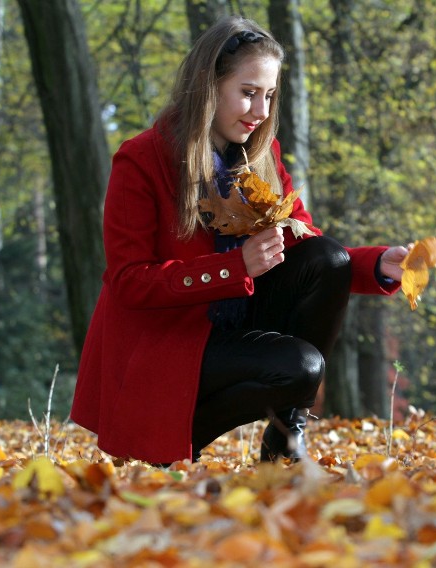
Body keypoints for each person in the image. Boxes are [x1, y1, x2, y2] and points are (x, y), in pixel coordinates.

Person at [70, 15, 408, 466]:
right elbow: (129, 281)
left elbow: (309, 247)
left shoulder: (261, 154)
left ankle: (285, 441)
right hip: (169, 343)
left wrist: (377, 265)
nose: (261, 112)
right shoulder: (142, 159)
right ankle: (164, 449)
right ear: (207, 86)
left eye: (268, 95)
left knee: (327, 259)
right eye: (248, 93)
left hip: (235, 322)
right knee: (302, 367)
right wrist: (234, 267)